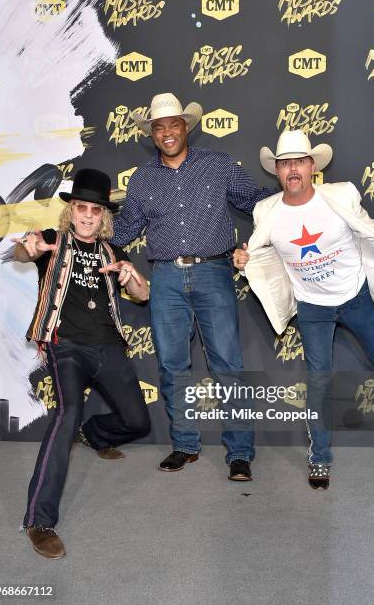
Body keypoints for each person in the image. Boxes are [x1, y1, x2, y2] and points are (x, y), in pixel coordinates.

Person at [233, 129, 374, 490]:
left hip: (354, 296)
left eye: (299, 161)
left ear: (312, 166)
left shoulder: (341, 195)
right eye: (285, 164)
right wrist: (244, 259)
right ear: (277, 171)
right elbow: (259, 252)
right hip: (312, 307)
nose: (292, 169)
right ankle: (319, 458)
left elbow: (369, 228)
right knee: (317, 383)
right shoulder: (265, 211)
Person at [113, 92, 272, 481]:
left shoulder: (218, 166)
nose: (167, 132)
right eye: (159, 126)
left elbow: (257, 201)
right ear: (151, 133)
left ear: (187, 127)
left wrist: (299, 199)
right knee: (171, 367)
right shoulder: (142, 178)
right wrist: (73, 230)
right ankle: (184, 444)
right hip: (165, 276)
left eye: (174, 124)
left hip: (214, 272)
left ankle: (240, 453)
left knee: (228, 366)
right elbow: (123, 230)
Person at [13, 168, 150, 559]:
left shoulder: (112, 252)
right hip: (67, 344)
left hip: (107, 346)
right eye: (81, 208)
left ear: (103, 215)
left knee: (138, 421)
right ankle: (39, 521)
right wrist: (31, 248)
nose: (88, 216)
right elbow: (26, 251)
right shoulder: (55, 241)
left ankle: (96, 435)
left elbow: (141, 296)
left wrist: (131, 276)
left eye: (95, 210)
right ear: (70, 211)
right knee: (66, 413)